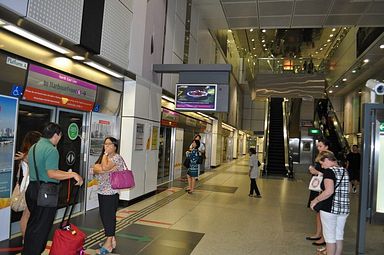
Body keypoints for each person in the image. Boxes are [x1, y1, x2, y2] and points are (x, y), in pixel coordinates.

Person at [23, 123, 83, 255]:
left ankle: (27, 251)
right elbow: (52, 173)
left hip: (32, 189)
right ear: (56, 135)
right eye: (60, 136)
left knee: (33, 224)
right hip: (45, 192)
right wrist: (73, 174)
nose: (59, 139)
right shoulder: (51, 150)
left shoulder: (34, 147)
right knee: (42, 228)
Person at [310, 151, 350, 255]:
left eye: (322, 163)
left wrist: (315, 200)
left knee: (330, 238)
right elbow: (348, 189)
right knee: (339, 236)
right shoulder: (344, 171)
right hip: (344, 209)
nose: (322, 166)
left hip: (330, 208)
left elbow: (329, 191)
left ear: (327, 159)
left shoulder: (329, 172)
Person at [93, 137, 125, 254]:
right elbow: (95, 168)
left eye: (109, 144)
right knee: (104, 216)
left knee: (108, 217)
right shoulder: (105, 157)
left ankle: (108, 245)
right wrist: (103, 169)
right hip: (102, 191)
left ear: (115, 146)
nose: (106, 146)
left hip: (111, 192)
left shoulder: (116, 158)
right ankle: (112, 239)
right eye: (105, 144)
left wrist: (104, 166)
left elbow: (104, 167)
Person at [14, 131, 42, 239]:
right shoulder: (28, 155)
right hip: (29, 188)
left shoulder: (26, 154)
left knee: (28, 215)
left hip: (28, 187)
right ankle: (26, 239)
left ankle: (26, 239)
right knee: (27, 215)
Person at [306, 139, 331, 247]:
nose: (318, 148)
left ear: (327, 147)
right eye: (318, 146)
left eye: (320, 146)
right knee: (318, 211)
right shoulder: (320, 156)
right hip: (318, 187)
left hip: (324, 188)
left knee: (323, 212)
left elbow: (329, 173)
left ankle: (324, 237)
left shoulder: (328, 158)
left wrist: (317, 172)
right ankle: (318, 233)